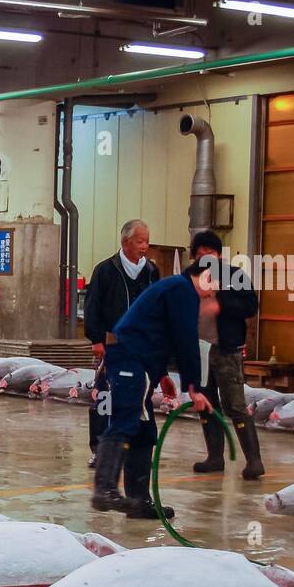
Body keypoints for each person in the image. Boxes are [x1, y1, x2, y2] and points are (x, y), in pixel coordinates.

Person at [90, 260, 216, 519]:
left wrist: (160, 375)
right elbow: (185, 341)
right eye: (213, 286)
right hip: (130, 361)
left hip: (141, 364)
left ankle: (139, 502)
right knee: (125, 421)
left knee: (145, 431)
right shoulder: (183, 291)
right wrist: (194, 388)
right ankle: (104, 488)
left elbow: (157, 334)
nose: (212, 294)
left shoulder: (175, 288)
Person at [84, 219, 160, 467]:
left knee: (138, 396)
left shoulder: (151, 271)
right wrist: (96, 340)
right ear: (125, 241)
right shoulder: (105, 270)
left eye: (147, 241)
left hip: (140, 346)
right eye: (140, 241)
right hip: (111, 343)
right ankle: (100, 448)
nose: (144, 246)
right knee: (104, 397)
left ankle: (132, 445)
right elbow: (92, 306)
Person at [189, 230, 264, 480]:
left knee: (235, 405)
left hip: (226, 350)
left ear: (219, 255)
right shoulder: (187, 278)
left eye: (209, 254)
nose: (204, 260)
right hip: (199, 350)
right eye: (199, 256)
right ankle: (215, 457)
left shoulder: (234, 276)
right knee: (207, 404)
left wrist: (221, 303)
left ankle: (254, 461)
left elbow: (251, 306)